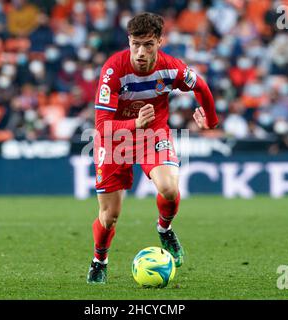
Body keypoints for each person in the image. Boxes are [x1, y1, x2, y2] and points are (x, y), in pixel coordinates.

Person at [87, 12, 218, 284]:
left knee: (170, 189)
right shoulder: (114, 70)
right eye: (135, 44)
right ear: (129, 41)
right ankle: (100, 260)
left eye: (148, 44)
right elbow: (101, 128)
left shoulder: (172, 68)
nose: (140, 52)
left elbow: (202, 87)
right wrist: (135, 122)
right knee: (110, 216)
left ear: (160, 41)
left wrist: (211, 120)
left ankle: (165, 229)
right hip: (115, 139)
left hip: (152, 135)